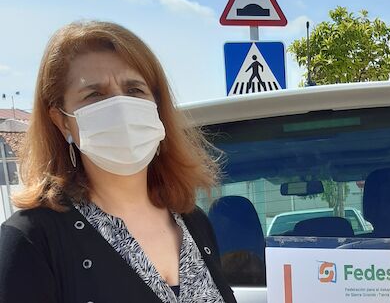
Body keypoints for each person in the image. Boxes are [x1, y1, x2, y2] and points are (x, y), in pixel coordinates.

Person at [0, 21, 237, 303]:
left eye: (134, 90)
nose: (121, 108)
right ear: (62, 121)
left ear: (157, 106)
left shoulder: (193, 221)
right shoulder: (32, 240)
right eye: (95, 95)